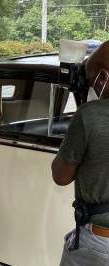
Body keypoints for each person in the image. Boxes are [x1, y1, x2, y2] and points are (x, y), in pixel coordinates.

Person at [52, 41, 109, 265]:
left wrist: (84, 102)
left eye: (92, 79)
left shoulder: (88, 115)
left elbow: (61, 176)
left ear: (103, 77)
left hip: (99, 244)